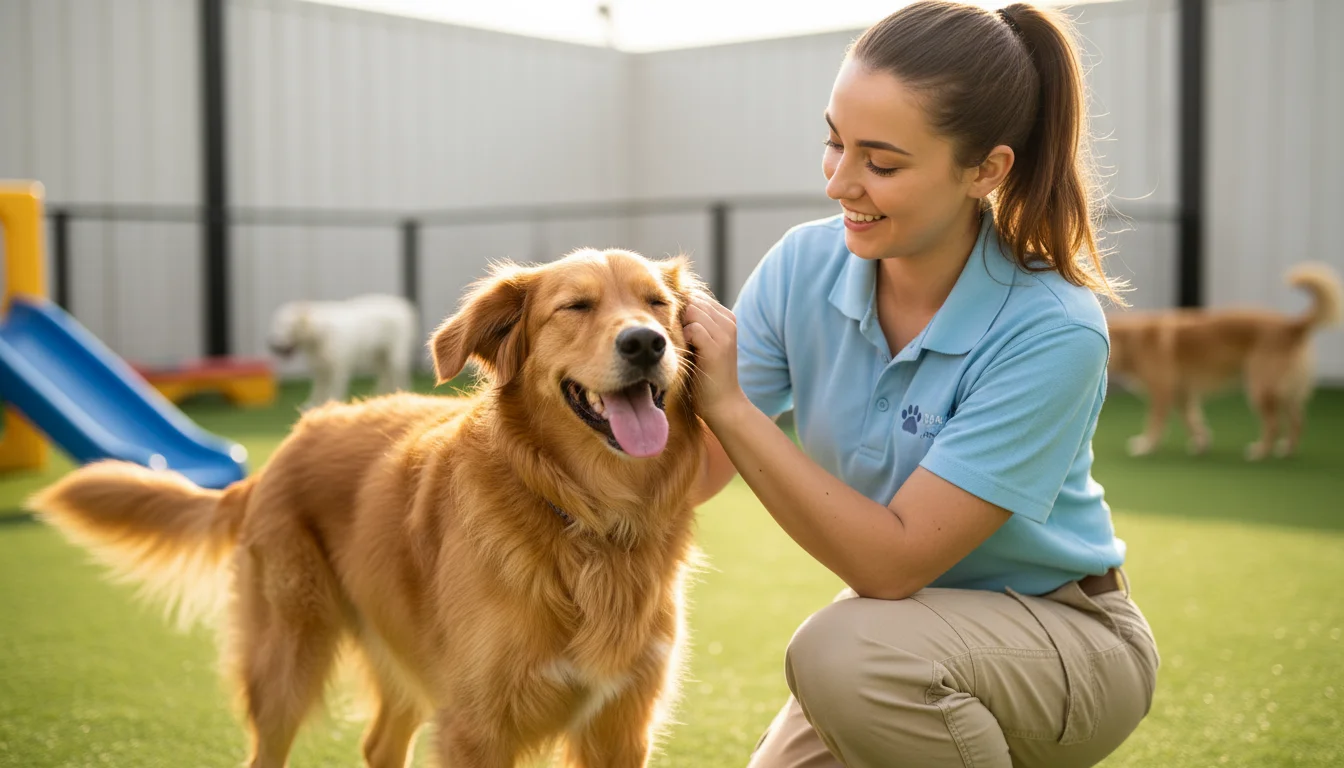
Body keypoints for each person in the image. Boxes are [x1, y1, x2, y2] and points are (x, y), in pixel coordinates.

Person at [681, 2, 1159, 767]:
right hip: (902, 635)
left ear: (986, 170)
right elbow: (692, 470)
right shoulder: (802, 265)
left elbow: (892, 564)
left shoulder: (1054, 327)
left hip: (1065, 637)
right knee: (853, 653)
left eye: (882, 163)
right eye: (834, 143)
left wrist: (731, 408)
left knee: (843, 651)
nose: (840, 183)